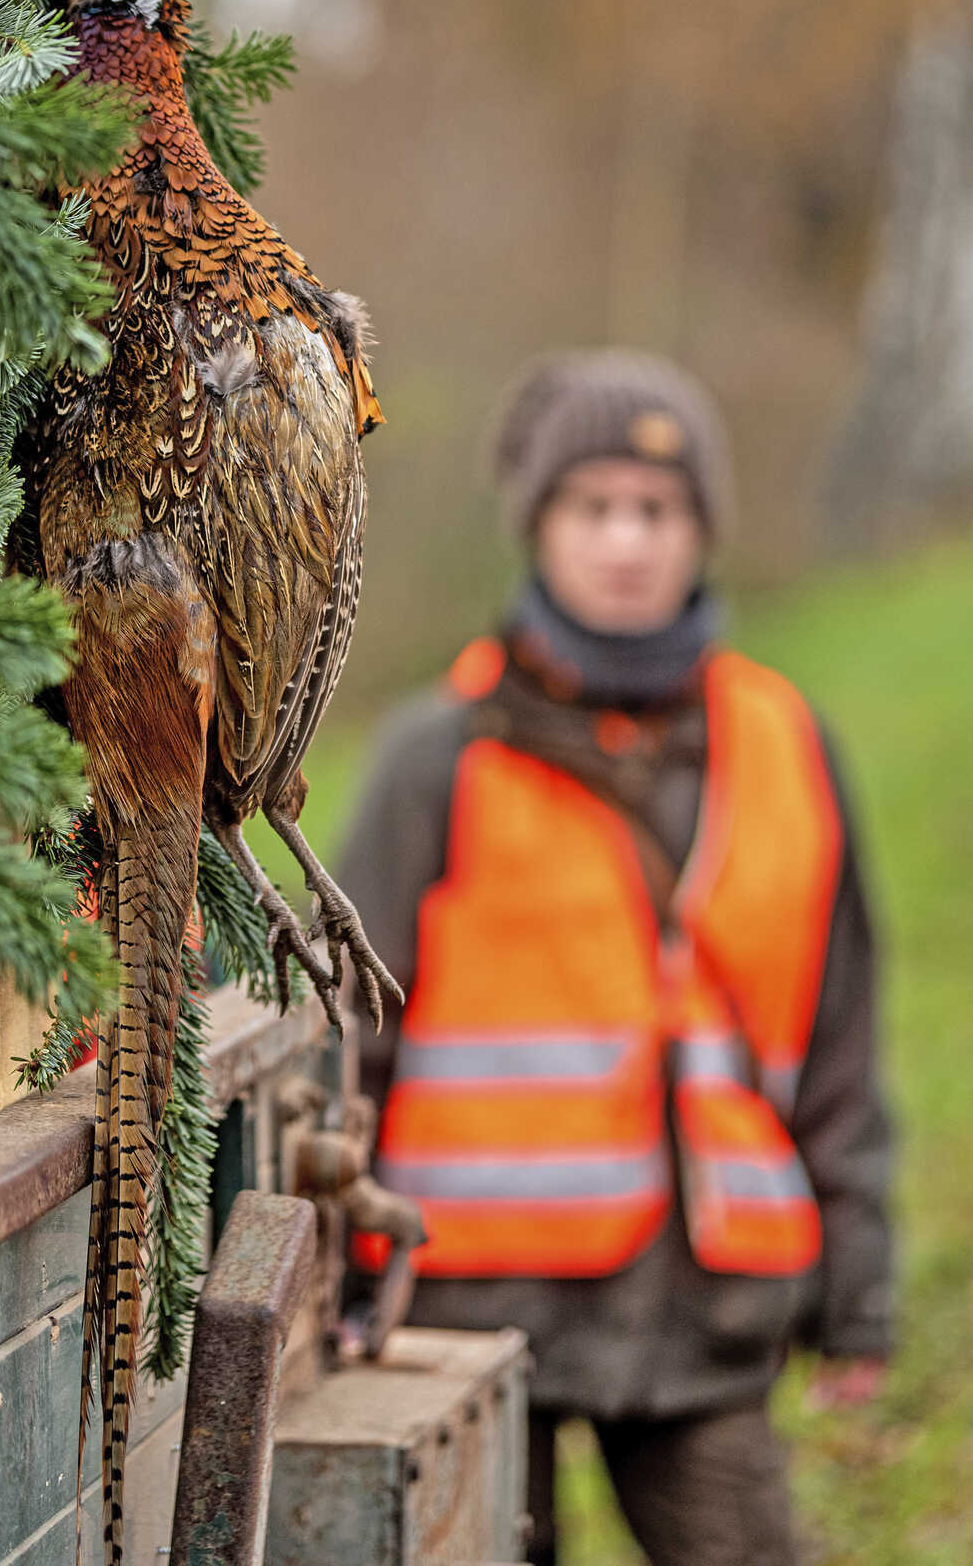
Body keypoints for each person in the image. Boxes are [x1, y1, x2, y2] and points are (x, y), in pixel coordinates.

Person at [340, 351, 893, 1566]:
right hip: (469, 1317)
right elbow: (349, 1036)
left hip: (703, 1313)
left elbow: (842, 1034)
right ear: (540, 525)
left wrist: (859, 1291)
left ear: (702, 529)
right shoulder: (435, 754)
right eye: (594, 506)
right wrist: (334, 1273)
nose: (628, 541)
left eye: (660, 508)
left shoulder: (788, 744)